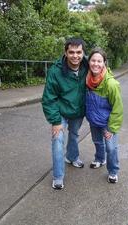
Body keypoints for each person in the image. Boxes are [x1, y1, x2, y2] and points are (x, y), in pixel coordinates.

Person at [42, 38, 88, 190]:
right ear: (65, 53)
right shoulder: (55, 71)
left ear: (83, 53)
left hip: (77, 110)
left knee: (74, 135)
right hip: (60, 112)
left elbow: (102, 73)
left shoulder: (88, 65)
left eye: (79, 52)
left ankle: (72, 157)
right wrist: (55, 121)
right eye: (72, 52)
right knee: (57, 140)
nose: (75, 56)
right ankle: (58, 176)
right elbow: (48, 98)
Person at [85, 47, 123, 183]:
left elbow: (118, 108)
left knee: (111, 148)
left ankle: (113, 171)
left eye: (99, 61)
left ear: (104, 63)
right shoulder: (87, 80)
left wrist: (111, 128)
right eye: (93, 60)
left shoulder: (111, 84)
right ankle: (100, 159)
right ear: (89, 62)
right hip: (93, 119)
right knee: (97, 142)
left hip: (108, 122)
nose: (96, 64)